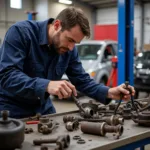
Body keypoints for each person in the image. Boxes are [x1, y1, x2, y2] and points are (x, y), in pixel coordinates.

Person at [0, 7, 135, 118]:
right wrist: (46, 85)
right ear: (57, 25)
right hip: (11, 109)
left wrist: (109, 92)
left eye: (75, 43)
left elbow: (82, 80)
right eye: (70, 40)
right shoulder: (21, 33)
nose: (71, 48)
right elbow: (7, 75)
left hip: (43, 107)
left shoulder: (69, 49)